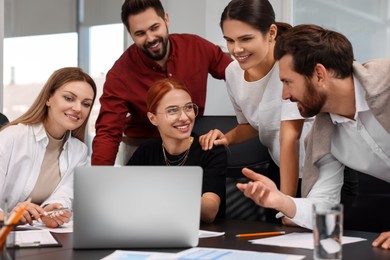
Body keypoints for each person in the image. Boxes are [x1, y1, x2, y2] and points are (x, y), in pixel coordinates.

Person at [236, 24, 390, 250]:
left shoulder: (386, 84)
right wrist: (282, 201)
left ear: (319, 74)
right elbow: (325, 208)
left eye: (288, 82)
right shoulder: (323, 133)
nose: (285, 95)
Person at [92, 0, 233, 166]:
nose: (151, 38)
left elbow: (236, 74)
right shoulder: (120, 74)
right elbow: (108, 132)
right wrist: (98, 180)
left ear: (166, 19)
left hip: (188, 143)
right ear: (130, 34)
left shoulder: (196, 47)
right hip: (141, 148)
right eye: (140, 33)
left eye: (154, 28)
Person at [199, 0, 312, 198]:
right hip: (280, 168)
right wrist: (226, 138)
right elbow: (253, 124)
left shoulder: (289, 64)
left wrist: (286, 203)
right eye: (230, 40)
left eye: (245, 39)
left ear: (271, 33)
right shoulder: (232, 73)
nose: (236, 49)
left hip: (318, 171)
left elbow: (289, 137)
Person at [0, 67, 96, 228]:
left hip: (38, 236)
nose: (78, 108)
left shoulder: (79, 151)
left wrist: (52, 209)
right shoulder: (13, 136)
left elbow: (65, 194)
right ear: (48, 99)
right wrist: (8, 215)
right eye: (69, 98)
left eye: (86, 104)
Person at [127, 78, 227, 223]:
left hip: (203, 236)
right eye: (172, 110)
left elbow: (209, 211)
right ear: (153, 118)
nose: (185, 117)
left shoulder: (210, 149)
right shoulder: (146, 150)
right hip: (155, 229)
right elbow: (126, 197)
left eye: (188, 107)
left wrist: (161, 190)